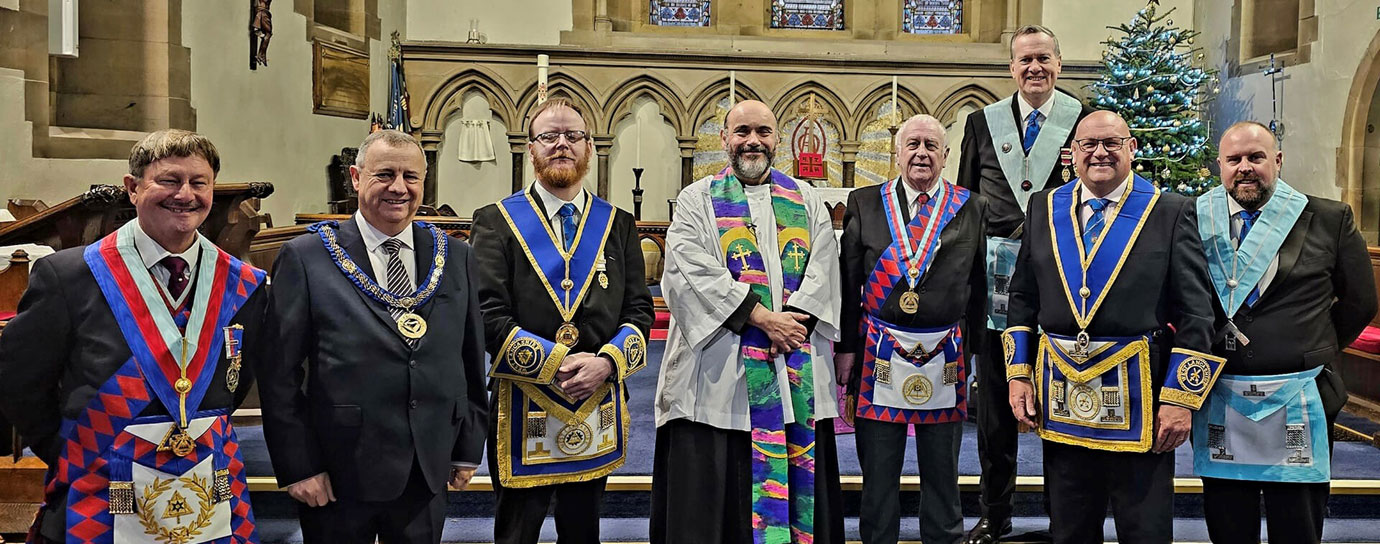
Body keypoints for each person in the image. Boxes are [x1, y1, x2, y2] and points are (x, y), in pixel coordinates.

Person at [0, 129, 267, 543]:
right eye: (168, 180)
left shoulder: (240, 282)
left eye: (199, 182)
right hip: (101, 484)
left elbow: (237, 379)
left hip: (207, 485)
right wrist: (70, 449)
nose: (185, 194)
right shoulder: (70, 276)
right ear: (132, 188)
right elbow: (18, 382)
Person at [257, 129, 488, 544]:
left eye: (411, 177)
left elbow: (470, 359)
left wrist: (467, 446)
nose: (399, 188)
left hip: (427, 462)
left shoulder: (456, 256)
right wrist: (299, 465)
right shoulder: (306, 258)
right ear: (356, 178)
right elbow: (279, 375)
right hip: (340, 467)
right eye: (385, 174)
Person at [1004, 111, 1223, 543]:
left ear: (1132, 149)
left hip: (1141, 399)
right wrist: (1018, 375)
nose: (1100, 153)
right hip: (1061, 394)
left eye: (1112, 143)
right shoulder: (1044, 207)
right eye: (1089, 144)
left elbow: (1197, 313)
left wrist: (1181, 400)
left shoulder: (1170, 211)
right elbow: (1023, 298)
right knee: (1070, 527)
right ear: (1072, 153)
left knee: (1144, 530)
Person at [651, 99, 844, 544]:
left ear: (777, 138)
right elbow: (687, 271)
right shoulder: (696, 199)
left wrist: (791, 325)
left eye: (762, 132)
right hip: (720, 375)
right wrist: (760, 317)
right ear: (724, 139)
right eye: (742, 132)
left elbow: (824, 267)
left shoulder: (807, 199)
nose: (752, 141)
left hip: (792, 358)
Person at [470, 97, 654, 544]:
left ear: (589, 147)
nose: (561, 145)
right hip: (522, 401)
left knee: (582, 531)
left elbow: (639, 311)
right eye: (549, 136)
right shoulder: (496, 221)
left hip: (597, 399)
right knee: (516, 532)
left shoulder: (618, 224)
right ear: (531, 148)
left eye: (573, 136)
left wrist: (606, 364)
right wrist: (554, 365)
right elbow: (486, 313)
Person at [1193, 121, 1376, 544]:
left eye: (1256, 157)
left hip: (1301, 395)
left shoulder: (1329, 217)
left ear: (1277, 160)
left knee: (1298, 527)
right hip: (1222, 395)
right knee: (1227, 524)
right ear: (1219, 166)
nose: (1245, 168)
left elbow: (1361, 302)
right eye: (1234, 159)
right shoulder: (1195, 218)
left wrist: (1313, 345)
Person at [955, 24, 1095, 544]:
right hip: (994, 282)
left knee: (1065, 401)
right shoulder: (980, 123)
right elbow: (966, 206)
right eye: (1024, 61)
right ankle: (996, 514)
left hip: (1066, 279)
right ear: (1011, 68)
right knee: (994, 407)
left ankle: (1068, 519)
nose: (1034, 68)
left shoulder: (1082, 121)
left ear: (1059, 62)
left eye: (1043, 58)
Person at [838, 114, 987, 544]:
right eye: (913, 144)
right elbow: (849, 285)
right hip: (879, 353)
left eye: (931, 146)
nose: (921, 153)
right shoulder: (865, 202)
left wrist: (973, 352)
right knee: (878, 475)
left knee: (943, 475)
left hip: (946, 355)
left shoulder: (971, 206)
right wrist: (847, 349)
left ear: (945, 155)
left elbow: (977, 288)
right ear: (897, 153)